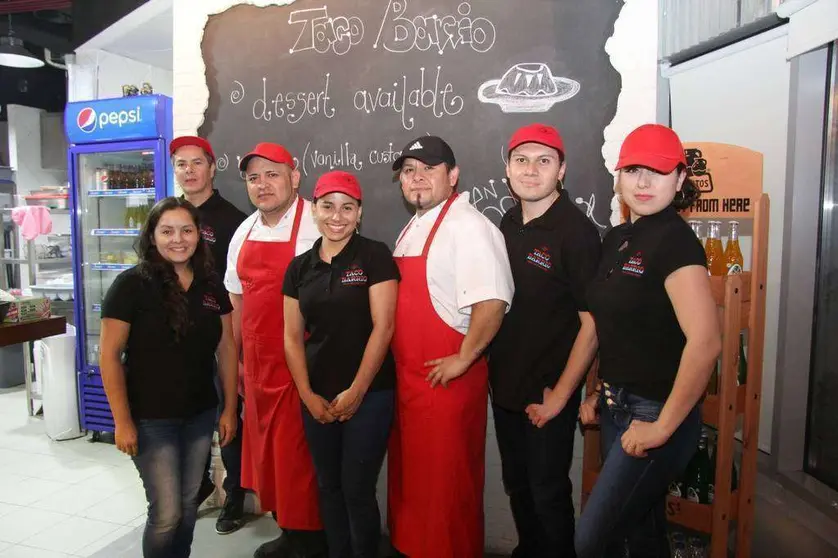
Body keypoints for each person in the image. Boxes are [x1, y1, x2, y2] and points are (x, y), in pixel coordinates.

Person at [574, 124, 721, 558]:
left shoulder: (676, 242)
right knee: (641, 533)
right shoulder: (617, 238)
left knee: (590, 541)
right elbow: (619, 326)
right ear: (618, 176)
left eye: (657, 172)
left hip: (658, 414)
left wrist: (661, 427)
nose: (642, 182)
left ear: (679, 181)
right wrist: (600, 390)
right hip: (618, 408)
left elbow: (706, 342)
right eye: (633, 169)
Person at [388, 136, 514, 558]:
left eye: (429, 169)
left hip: (446, 384)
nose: (417, 177)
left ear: (453, 176)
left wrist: (465, 357)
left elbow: (492, 302)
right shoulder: (414, 225)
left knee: (447, 491)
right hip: (410, 381)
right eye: (409, 170)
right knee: (414, 489)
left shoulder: (470, 226)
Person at [100, 197, 238, 558]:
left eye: (186, 230)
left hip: (199, 413)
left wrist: (229, 409)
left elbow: (226, 349)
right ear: (152, 236)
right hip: (150, 419)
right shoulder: (130, 285)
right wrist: (121, 421)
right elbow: (109, 356)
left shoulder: (211, 287)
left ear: (198, 236)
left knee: (189, 504)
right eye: (167, 231)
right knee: (166, 513)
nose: (178, 239)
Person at [489, 124, 602, 558]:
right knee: (517, 485)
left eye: (543, 161)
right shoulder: (508, 222)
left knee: (548, 492)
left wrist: (560, 397)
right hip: (506, 387)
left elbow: (592, 325)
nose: (531, 170)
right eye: (522, 160)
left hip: (548, 392)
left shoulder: (576, 232)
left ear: (562, 171)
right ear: (508, 170)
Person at [283, 170, 399, 558]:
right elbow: (291, 336)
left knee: (357, 488)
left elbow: (383, 328)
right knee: (328, 485)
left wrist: (358, 391)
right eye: (328, 206)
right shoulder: (299, 267)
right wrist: (307, 395)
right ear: (314, 210)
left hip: (370, 394)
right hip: (316, 393)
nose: (337, 216)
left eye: (347, 207)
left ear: (359, 213)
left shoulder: (374, 256)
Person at [224, 142, 326, 558]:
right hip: (259, 368)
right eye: (253, 177)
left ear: (295, 177)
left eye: (272, 174)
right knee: (271, 455)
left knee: (302, 458)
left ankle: (312, 539)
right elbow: (236, 302)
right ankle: (289, 529)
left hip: (304, 363)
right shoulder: (243, 232)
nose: (262, 184)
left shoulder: (317, 227)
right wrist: (240, 365)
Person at [170, 135, 248, 535]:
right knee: (187, 412)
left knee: (227, 415)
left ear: (212, 167)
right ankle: (198, 483)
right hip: (180, 339)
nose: (188, 170)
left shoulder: (233, 218)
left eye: (196, 163)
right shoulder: (169, 215)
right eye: (181, 164)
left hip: (221, 334)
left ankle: (234, 493)